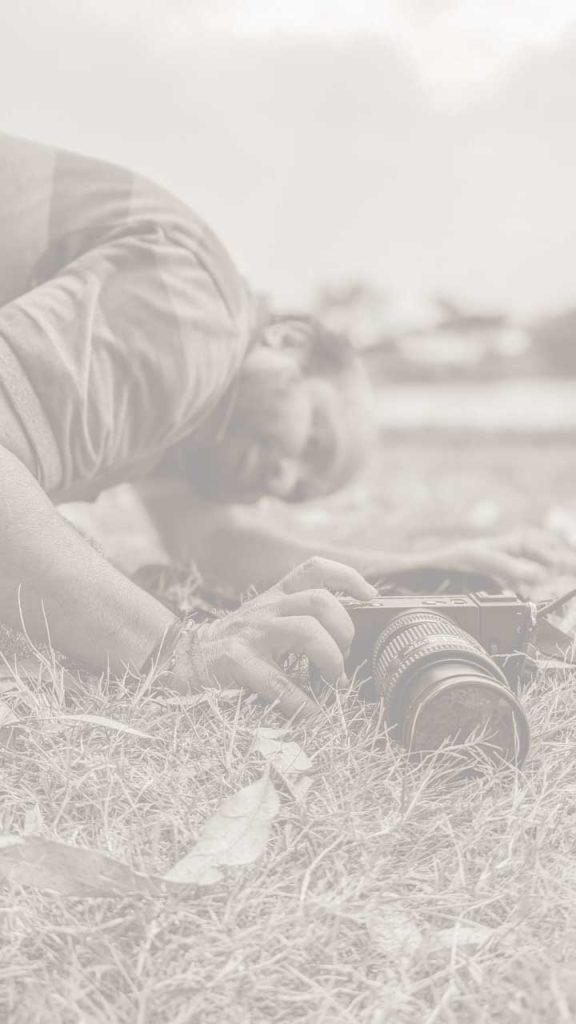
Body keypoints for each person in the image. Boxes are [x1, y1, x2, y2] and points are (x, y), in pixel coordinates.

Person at [0, 133, 574, 718]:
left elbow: (214, 540)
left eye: (296, 490)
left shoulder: (190, 417)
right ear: (288, 341)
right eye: (313, 439)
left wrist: (418, 570)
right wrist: (178, 652)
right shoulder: (198, 317)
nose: (281, 477)